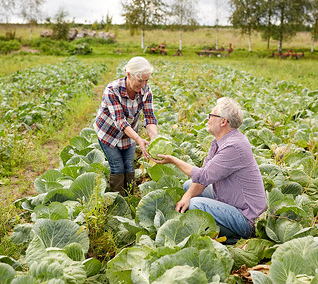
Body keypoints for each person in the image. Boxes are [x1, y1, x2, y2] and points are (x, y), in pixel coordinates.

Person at [154, 97, 267, 240]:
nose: (207, 119)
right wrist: (186, 197)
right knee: (188, 186)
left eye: (211, 116)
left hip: (246, 216)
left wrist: (174, 160)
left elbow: (203, 176)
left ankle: (236, 238)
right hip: (229, 201)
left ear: (223, 121)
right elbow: (202, 178)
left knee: (195, 205)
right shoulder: (218, 142)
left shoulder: (234, 146)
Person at [95, 57, 158, 196]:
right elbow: (120, 121)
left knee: (129, 165)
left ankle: (128, 198)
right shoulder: (112, 90)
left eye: (146, 80)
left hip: (130, 134)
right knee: (117, 166)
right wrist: (139, 139)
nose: (143, 85)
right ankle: (118, 201)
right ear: (128, 74)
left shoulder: (146, 91)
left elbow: (149, 117)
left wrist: (155, 139)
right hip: (108, 133)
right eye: (140, 80)